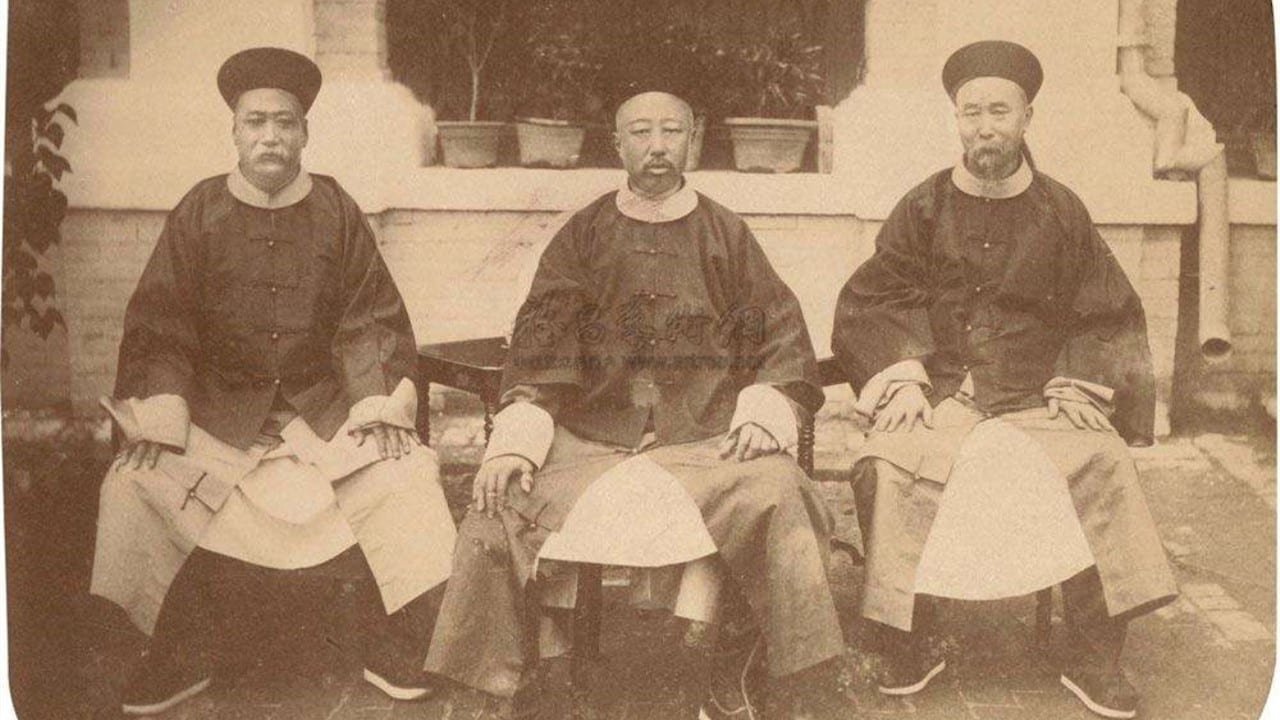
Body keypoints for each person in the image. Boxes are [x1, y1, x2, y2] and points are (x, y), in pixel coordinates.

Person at [424, 91, 847, 719]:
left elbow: (780, 332)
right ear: (617, 144)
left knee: (781, 490)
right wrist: (517, 437)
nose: (657, 147)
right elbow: (542, 339)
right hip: (591, 437)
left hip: (702, 437)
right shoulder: (583, 234)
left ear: (693, 141)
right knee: (498, 498)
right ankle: (500, 685)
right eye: (641, 133)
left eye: (672, 131)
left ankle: (755, 671)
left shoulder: (726, 234)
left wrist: (765, 407)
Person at [91, 47, 456, 715]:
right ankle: (172, 649)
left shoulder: (336, 208)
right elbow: (162, 323)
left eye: (285, 123)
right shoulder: (198, 212)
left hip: (324, 412)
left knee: (407, 473)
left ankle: (395, 638)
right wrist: (163, 411)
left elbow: (369, 317)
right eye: (255, 122)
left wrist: (375, 401)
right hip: (219, 415)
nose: (270, 137)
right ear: (234, 131)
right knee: (135, 483)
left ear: (304, 133)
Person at [830, 40, 1178, 719]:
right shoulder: (923, 206)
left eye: (1000, 112)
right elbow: (875, 298)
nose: (986, 127)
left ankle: (1093, 652)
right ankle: (912, 635)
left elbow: (1106, 308)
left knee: (1102, 460)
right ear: (957, 119)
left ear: (1027, 118)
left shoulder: (1062, 211)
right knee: (884, 463)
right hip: (940, 395)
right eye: (972, 113)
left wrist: (1077, 380)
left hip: (1037, 396)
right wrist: (902, 377)